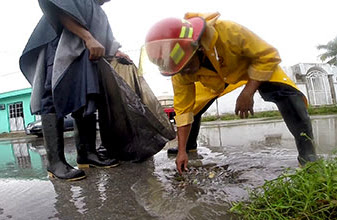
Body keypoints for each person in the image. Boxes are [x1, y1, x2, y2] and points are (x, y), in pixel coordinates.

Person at [144, 12, 318, 174]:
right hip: (214, 81)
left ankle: (308, 157)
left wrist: (248, 92)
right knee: (193, 109)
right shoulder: (181, 72)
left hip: (252, 70)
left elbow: (268, 56)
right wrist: (181, 151)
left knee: (287, 93)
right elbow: (183, 110)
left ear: (198, 47)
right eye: (179, 70)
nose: (185, 73)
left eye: (187, 66)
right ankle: (188, 149)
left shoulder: (229, 31)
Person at [19, 0, 130, 181]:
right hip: (61, 46)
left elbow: (105, 38)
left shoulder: (99, 12)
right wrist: (88, 37)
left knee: (85, 98)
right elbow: (60, 10)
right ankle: (55, 163)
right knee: (53, 94)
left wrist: (116, 51)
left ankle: (87, 154)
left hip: (86, 55)